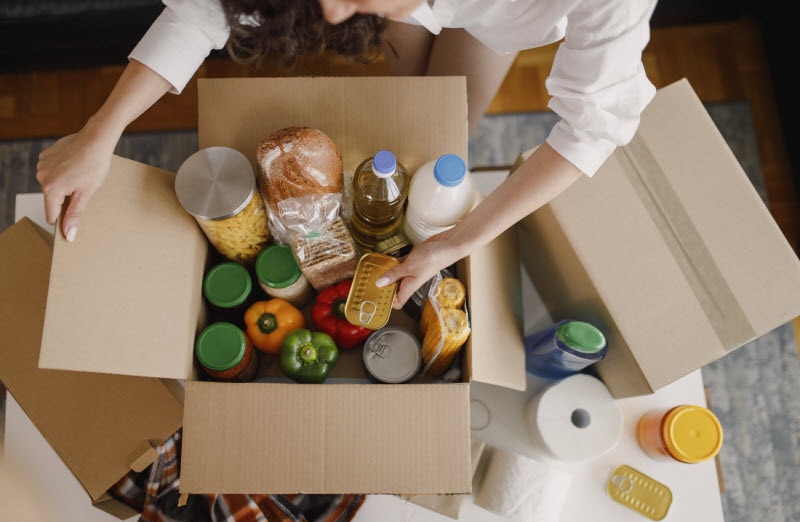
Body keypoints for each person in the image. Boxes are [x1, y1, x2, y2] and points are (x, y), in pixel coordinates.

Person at [36, 0, 658, 310]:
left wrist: (459, 240)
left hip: (509, 17)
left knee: (450, 124)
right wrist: (100, 132)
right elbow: (205, 10)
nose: (331, 12)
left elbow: (591, 127)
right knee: (402, 112)